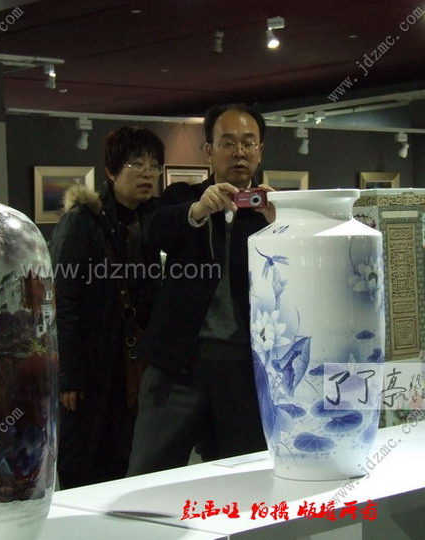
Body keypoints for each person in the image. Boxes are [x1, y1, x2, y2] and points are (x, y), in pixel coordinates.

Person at [127, 103, 275, 475]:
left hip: (244, 365)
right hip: (178, 362)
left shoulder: (272, 209)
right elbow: (153, 230)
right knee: (149, 474)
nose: (239, 152)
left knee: (244, 477)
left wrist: (282, 226)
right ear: (209, 151)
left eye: (248, 143)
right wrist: (196, 211)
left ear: (260, 151)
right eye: (228, 143)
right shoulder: (183, 197)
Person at [50, 126, 165, 488]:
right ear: (112, 171)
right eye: (136, 164)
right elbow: (63, 300)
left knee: (127, 455)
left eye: (154, 165)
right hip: (91, 360)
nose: (147, 173)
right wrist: (69, 375)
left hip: (132, 359)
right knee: (84, 456)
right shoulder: (82, 221)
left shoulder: (151, 218)